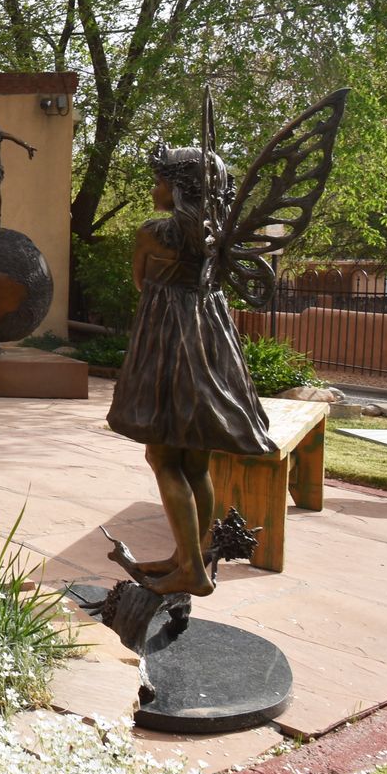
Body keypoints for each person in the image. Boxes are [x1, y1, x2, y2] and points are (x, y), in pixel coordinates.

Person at [104, 144, 273, 596]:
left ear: (178, 190)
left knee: (162, 455)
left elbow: (142, 282)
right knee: (196, 460)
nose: (155, 188)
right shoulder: (221, 238)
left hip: (167, 345)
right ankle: (189, 557)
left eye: (161, 180)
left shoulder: (153, 233)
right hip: (213, 345)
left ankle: (192, 571)